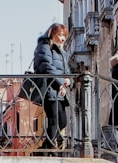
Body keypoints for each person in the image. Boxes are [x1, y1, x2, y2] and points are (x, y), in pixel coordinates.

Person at [33, 23, 70, 156]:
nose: (62, 38)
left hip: (59, 91)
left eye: (64, 35)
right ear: (52, 34)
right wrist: (60, 83)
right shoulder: (44, 47)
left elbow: (65, 70)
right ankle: (46, 151)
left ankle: (44, 149)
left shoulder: (61, 51)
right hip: (49, 90)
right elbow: (46, 67)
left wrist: (67, 80)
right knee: (55, 120)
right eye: (59, 35)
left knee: (62, 121)